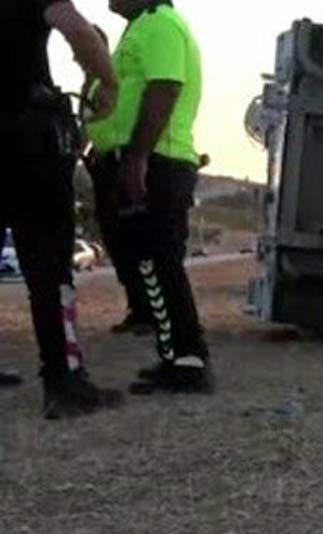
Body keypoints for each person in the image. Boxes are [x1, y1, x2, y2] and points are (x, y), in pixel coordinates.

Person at [0, 0, 125, 419]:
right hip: (27, 141)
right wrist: (107, 83)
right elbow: (81, 32)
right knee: (50, 266)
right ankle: (63, 379)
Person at [88, 0, 213, 394]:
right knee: (148, 263)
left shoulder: (161, 24)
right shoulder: (140, 27)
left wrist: (138, 156)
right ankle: (174, 355)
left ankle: (189, 360)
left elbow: (165, 87)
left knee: (161, 261)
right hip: (140, 162)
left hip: (158, 164)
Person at [81, 25, 155, 337]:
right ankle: (137, 308)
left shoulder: (116, 74)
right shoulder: (91, 82)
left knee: (136, 239)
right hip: (100, 162)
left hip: (122, 160)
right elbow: (86, 122)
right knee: (115, 240)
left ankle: (150, 311)